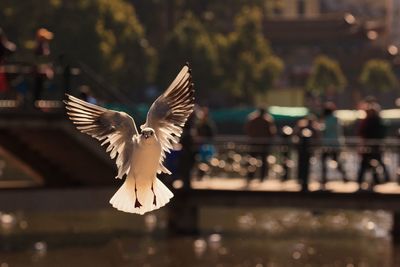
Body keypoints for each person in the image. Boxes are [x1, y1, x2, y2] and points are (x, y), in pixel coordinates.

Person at [357, 100, 390, 190]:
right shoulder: (379, 121)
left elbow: (362, 133)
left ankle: (361, 180)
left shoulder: (367, 121)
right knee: (377, 162)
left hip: (369, 146)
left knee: (365, 164)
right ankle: (381, 179)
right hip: (376, 145)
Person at [320, 102, 348, 189]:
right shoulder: (336, 119)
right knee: (336, 160)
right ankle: (344, 176)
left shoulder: (326, 120)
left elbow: (323, 131)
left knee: (324, 161)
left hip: (327, 144)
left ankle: (324, 179)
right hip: (335, 144)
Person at [244, 107, 277, 182]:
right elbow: (272, 132)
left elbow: (247, 130)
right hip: (264, 143)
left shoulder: (252, 119)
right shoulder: (268, 120)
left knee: (251, 160)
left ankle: (250, 177)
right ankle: (262, 178)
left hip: (254, 143)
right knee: (264, 161)